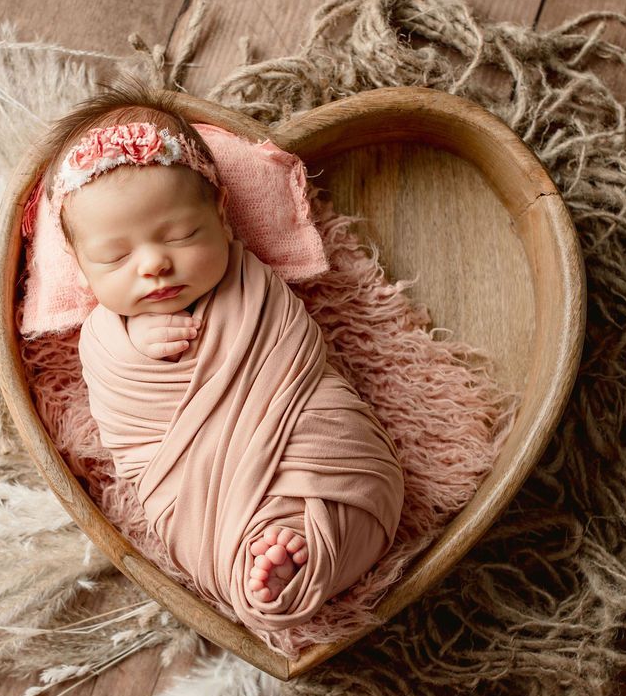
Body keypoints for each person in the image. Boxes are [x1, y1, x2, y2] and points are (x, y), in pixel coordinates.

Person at [38, 79, 404, 630]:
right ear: (80, 265)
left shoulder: (249, 282)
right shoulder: (104, 335)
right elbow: (123, 404)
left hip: (295, 425)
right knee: (221, 521)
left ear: (223, 217)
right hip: (191, 485)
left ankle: (298, 537)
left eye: (182, 235)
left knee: (333, 439)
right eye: (115, 257)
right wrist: (132, 341)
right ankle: (274, 551)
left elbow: (292, 359)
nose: (153, 265)